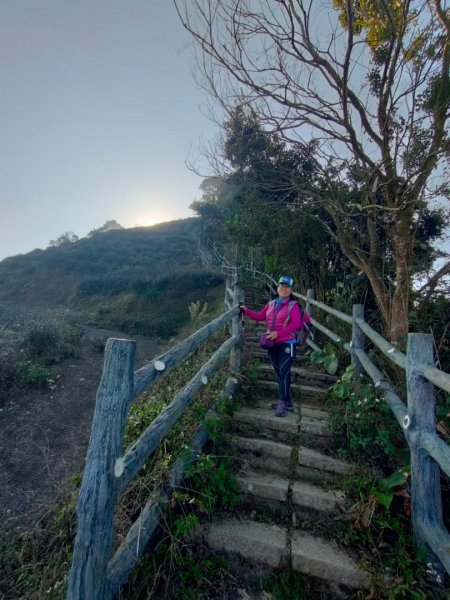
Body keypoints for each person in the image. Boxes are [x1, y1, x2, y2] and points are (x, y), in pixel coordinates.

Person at [240, 275, 311, 417]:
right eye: (281, 286)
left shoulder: (293, 305)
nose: (283, 289)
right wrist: (246, 310)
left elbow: (296, 324)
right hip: (273, 345)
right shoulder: (271, 304)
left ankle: (282, 402)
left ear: (291, 290)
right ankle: (288, 401)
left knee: (284, 373)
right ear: (277, 287)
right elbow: (260, 317)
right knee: (280, 374)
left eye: (287, 287)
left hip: (287, 344)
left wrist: (278, 334)